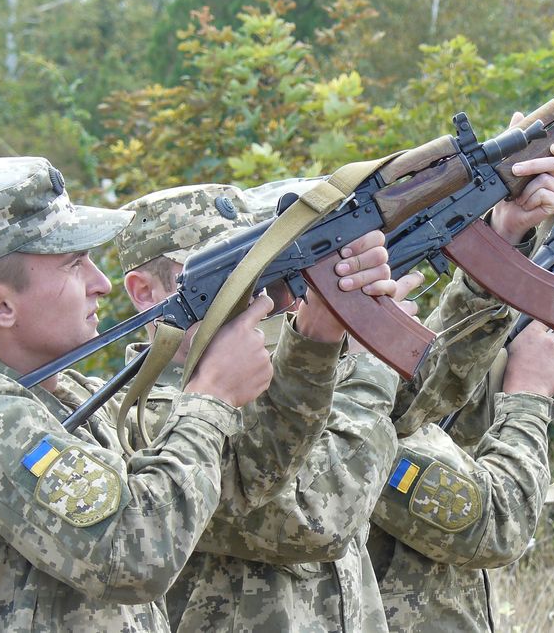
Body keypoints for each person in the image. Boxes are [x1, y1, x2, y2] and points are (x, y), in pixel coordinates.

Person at [0, 157, 389, 631]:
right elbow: (133, 552)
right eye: (73, 264)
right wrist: (210, 398)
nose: (100, 284)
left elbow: (243, 481)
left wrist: (316, 338)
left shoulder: (61, 395)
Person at [366, 120, 554, 631]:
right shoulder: (327, 409)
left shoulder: (330, 393)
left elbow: (452, 419)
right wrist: (529, 397)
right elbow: (497, 521)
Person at [115, 183, 404, 631]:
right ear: (144, 291)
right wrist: (353, 352)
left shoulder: (284, 373)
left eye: (262, 266)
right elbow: (320, 515)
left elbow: (418, 418)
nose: (260, 292)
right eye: (232, 271)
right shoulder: (141, 425)